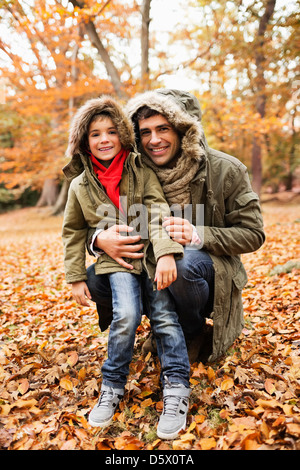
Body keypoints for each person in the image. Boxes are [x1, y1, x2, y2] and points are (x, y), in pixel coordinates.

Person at [90, 89, 265, 364]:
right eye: (145, 132)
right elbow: (92, 215)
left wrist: (198, 234)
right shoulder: (129, 172)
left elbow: (254, 234)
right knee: (95, 278)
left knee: (184, 263)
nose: (154, 140)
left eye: (163, 129)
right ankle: (164, 325)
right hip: (151, 265)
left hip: (207, 272)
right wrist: (99, 239)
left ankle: (192, 329)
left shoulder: (226, 170)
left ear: (184, 130)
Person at [62, 95, 191, 440]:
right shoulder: (79, 185)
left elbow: (159, 209)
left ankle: (177, 386)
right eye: (94, 134)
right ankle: (112, 384)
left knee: (164, 316)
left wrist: (165, 252)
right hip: (114, 262)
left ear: (122, 133)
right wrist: (76, 276)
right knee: (126, 317)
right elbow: (73, 230)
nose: (104, 139)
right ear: (84, 141)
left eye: (110, 131)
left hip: (149, 257)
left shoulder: (140, 168)